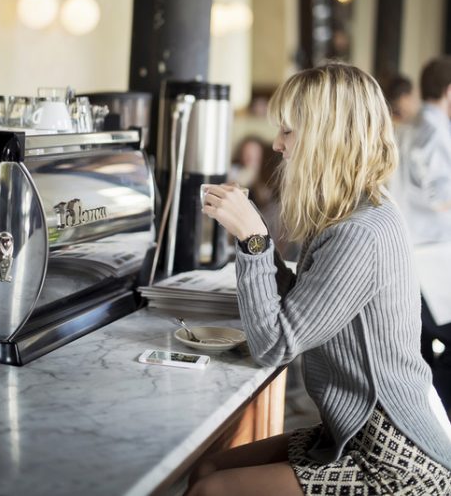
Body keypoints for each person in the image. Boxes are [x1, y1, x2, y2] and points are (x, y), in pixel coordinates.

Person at [188, 63, 451, 496]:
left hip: (394, 457)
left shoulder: (359, 233)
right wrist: (255, 237)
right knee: (209, 468)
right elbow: (307, 307)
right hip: (352, 431)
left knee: (211, 490)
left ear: (324, 138)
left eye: (288, 131)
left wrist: (254, 240)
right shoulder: (351, 214)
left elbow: (274, 344)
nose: (277, 144)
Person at [389, 56, 451, 413]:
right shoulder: (433, 128)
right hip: (433, 259)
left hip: (416, 255)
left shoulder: (411, 127)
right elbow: (439, 194)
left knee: (422, 346)